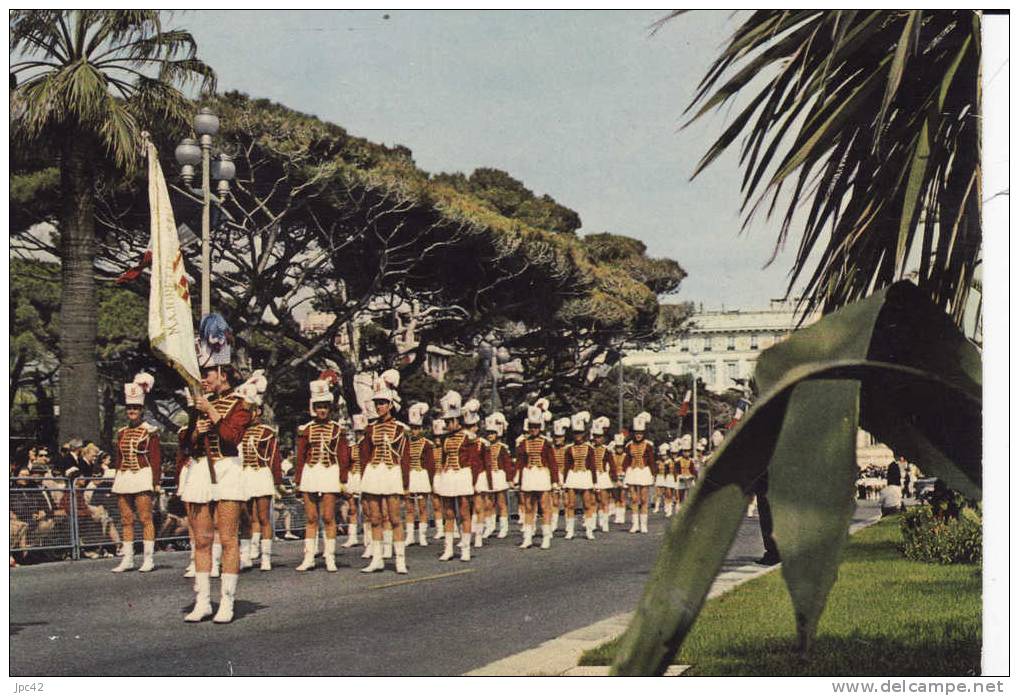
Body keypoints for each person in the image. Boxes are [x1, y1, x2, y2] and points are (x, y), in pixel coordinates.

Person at [178, 313, 253, 623]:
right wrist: (196, 429)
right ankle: (203, 600)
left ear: (223, 372)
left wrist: (210, 410)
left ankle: (227, 601)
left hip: (227, 470)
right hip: (200, 472)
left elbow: (232, 437)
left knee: (228, 538)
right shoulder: (198, 403)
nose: (204, 379)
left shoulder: (242, 403)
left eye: (208, 373)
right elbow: (186, 446)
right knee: (202, 539)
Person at [359, 370, 413, 573]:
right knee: (374, 518)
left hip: (392, 473)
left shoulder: (400, 429)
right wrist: (363, 481)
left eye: (382, 402)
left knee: (394, 517)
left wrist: (406, 484)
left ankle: (399, 559)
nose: (379, 406)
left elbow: (405, 458)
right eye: (377, 403)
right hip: (374, 473)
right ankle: (377, 558)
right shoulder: (370, 429)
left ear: (391, 405)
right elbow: (365, 457)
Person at [294, 378, 349, 572]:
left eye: (325, 407)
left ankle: (330, 556)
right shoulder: (305, 429)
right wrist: (298, 481)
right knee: (310, 517)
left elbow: (343, 456)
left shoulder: (337, 429)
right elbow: (299, 457)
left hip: (329, 472)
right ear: (313, 408)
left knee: (327, 516)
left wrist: (343, 480)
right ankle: (309, 557)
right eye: (319, 407)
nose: (322, 411)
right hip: (310, 472)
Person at [110, 373, 161, 573]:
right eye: (129, 408)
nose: (132, 411)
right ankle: (128, 558)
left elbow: (155, 458)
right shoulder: (121, 432)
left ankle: (148, 558)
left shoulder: (150, 431)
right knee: (126, 518)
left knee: (145, 517)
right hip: (124, 477)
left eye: (136, 408)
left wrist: (156, 482)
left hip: (142, 475)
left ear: (142, 410)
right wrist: (116, 478)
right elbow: (118, 458)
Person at [236, 372, 282, 571]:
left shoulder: (267, 432)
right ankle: (248, 553)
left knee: (263, 517)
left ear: (260, 411)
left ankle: (265, 557)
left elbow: (274, 458)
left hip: (261, 474)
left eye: (254, 411)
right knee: (247, 517)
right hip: (244, 475)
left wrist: (277, 482)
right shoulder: (239, 432)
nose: (251, 415)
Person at [433, 391, 481, 561]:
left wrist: (475, 482)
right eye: (445, 422)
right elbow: (444, 459)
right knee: (448, 513)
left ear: (458, 421)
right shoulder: (445, 439)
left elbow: (475, 462)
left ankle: (466, 548)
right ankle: (448, 549)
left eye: (449, 421)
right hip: (449, 476)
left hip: (463, 476)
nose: (447, 425)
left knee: (464, 512)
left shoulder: (469, 438)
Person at [514, 401, 559, 550]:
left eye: (536, 426)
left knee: (545, 506)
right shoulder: (523, 443)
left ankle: (546, 537)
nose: (534, 429)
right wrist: (517, 479)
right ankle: (527, 537)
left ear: (540, 427)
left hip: (542, 475)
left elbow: (552, 463)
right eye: (531, 426)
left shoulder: (546, 443)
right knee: (528, 507)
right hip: (528, 475)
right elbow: (520, 463)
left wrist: (554, 481)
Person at [404, 403, 437, 547]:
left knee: (423, 507)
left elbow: (430, 465)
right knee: (409, 508)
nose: (414, 431)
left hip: (421, 476)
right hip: (410, 476)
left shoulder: (427, 444)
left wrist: (431, 482)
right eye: (412, 428)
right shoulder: (406, 443)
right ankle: (410, 536)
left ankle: (422, 536)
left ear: (422, 429)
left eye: (417, 428)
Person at [563, 411, 597, 540]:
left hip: (585, 476)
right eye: (576, 433)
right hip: (572, 476)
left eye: (580, 433)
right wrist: (564, 481)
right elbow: (567, 466)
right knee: (571, 504)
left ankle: (589, 530)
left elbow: (592, 466)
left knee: (587, 504)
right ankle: (570, 530)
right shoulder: (569, 448)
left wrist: (594, 482)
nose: (578, 436)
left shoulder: (589, 449)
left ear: (584, 434)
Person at [482, 412, 513, 539]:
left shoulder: (503, 448)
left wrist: (509, 479)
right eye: (488, 433)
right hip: (488, 476)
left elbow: (507, 464)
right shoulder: (485, 447)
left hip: (499, 475)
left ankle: (504, 527)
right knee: (488, 503)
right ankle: (490, 526)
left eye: (492, 433)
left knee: (501, 502)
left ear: (497, 434)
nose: (490, 435)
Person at [622, 412, 654, 534]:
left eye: (641, 433)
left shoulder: (648, 445)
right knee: (634, 499)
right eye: (636, 433)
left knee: (644, 499)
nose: (638, 435)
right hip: (632, 472)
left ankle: (644, 525)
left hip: (644, 471)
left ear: (644, 433)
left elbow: (651, 460)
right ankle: (635, 524)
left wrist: (653, 473)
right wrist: (623, 471)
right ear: (633, 433)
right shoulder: (629, 445)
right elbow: (626, 460)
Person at [341, 415, 365, 548]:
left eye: (361, 433)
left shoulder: (368, 446)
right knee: (352, 508)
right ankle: (352, 537)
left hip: (364, 477)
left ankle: (369, 538)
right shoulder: (351, 447)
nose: (359, 435)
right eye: (358, 433)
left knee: (367, 509)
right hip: (353, 477)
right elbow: (346, 463)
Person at [589, 417, 614, 532]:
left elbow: (612, 464)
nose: (597, 439)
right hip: (592, 476)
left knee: (604, 500)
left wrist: (614, 477)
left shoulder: (606, 450)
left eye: (600, 437)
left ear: (603, 438)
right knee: (593, 501)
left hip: (603, 476)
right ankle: (593, 523)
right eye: (595, 437)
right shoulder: (589, 449)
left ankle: (604, 522)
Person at [547, 415, 569, 534]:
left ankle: (567, 524)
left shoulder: (567, 448)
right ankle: (553, 524)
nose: (557, 439)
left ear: (564, 437)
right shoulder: (551, 449)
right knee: (554, 501)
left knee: (566, 501)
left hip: (565, 475)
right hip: (554, 475)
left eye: (560, 437)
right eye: (556, 437)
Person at [609, 434, 628, 524]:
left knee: (622, 497)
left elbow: (627, 467)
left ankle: (622, 516)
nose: (619, 449)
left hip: (623, 477)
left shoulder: (626, 456)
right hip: (615, 477)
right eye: (617, 447)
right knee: (615, 497)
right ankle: (617, 516)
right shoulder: (612, 456)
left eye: (621, 447)